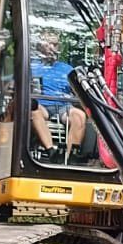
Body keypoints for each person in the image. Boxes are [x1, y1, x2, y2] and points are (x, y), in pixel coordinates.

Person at [29, 27, 87, 155]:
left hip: (63, 106)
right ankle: (51, 151)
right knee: (34, 112)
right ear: (40, 46)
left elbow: (79, 92)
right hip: (41, 105)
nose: (52, 48)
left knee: (80, 115)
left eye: (55, 44)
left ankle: (70, 156)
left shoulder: (67, 69)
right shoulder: (31, 67)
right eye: (48, 44)